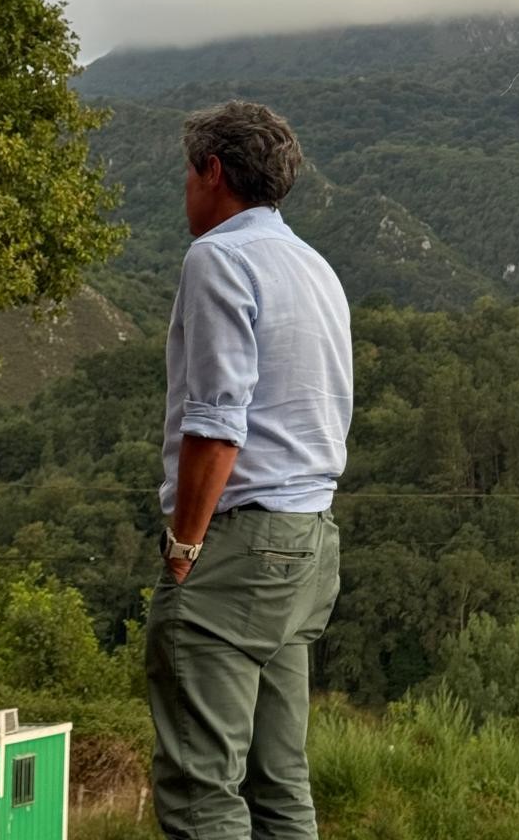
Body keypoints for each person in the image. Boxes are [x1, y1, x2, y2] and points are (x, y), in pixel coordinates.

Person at [146, 99, 352, 840]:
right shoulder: (314, 265)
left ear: (213, 170)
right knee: (280, 784)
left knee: (202, 786)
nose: (187, 193)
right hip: (310, 543)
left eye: (188, 175)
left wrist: (183, 549)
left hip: (240, 545)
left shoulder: (218, 257)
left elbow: (216, 424)